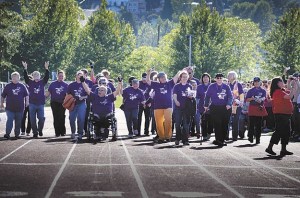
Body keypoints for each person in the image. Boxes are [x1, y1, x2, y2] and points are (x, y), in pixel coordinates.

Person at [82, 75, 122, 143]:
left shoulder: (109, 97)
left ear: (105, 92)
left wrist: (120, 82)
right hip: (96, 115)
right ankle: (98, 133)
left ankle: (103, 132)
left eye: (102, 90)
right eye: (99, 90)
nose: (99, 91)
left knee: (107, 121)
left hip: (107, 116)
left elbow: (117, 91)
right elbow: (87, 90)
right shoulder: (95, 96)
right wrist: (83, 82)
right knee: (96, 122)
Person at [146, 69, 180, 143]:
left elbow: (176, 77)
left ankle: (168, 136)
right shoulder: (156, 84)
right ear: (159, 79)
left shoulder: (170, 83)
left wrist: (180, 71)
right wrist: (148, 73)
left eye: (164, 77)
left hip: (168, 106)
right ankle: (161, 137)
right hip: (158, 106)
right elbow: (148, 81)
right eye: (161, 77)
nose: (163, 78)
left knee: (168, 121)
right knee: (159, 123)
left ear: (166, 77)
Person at [265, 77, 296, 156]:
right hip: (281, 114)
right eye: (281, 82)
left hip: (285, 114)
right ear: (277, 84)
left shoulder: (281, 91)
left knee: (286, 131)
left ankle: (283, 149)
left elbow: (289, 91)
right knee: (279, 131)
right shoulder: (278, 92)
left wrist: (289, 83)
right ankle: (269, 147)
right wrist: (293, 87)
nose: (283, 83)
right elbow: (290, 96)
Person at [22, 61, 49, 138]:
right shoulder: (30, 82)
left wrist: (46, 68)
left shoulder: (42, 82)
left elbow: (46, 76)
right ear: (33, 76)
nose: (36, 76)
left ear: (40, 76)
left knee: (41, 118)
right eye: (35, 75)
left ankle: (40, 130)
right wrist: (25, 68)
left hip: (40, 104)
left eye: (38, 75)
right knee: (32, 120)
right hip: (32, 104)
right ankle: (35, 132)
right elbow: (26, 77)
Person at [204, 73, 232, 147]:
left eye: (221, 78)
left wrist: (229, 104)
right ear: (215, 79)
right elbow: (207, 96)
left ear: (223, 79)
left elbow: (230, 97)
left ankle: (221, 140)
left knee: (225, 125)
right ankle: (219, 140)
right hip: (215, 107)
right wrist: (206, 105)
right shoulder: (211, 86)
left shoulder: (226, 87)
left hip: (225, 108)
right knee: (217, 124)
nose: (219, 79)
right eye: (218, 78)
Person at [1, 72, 29, 139]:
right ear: (11, 78)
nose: (15, 79)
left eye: (16, 77)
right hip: (10, 108)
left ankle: (17, 134)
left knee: (18, 122)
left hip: (20, 108)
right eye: (13, 77)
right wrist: (1, 103)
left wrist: (27, 102)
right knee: (9, 120)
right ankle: (7, 133)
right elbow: (3, 96)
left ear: (19, 78)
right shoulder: (8, 86)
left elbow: (27, 95)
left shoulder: (22, 86)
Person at [173, 71, 194, 145]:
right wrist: (176, 101)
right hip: (178, 107)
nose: (185, 78)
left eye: (186, 77)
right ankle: (177, 138)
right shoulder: (177, 86)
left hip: (186, 108)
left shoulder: (189, 86)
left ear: (188, 77)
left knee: (186, 124)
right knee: (178, 124)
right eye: (183, 77)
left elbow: (191, 96)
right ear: (180, 78)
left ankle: (185, 140)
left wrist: (190, 96)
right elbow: (174, 95)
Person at [45, 70, 68, 137]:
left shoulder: (66, 85)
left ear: (64, 77)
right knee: (56, 117)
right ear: (57, 76)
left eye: (62, 76)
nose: (61, 77)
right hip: (54, 102)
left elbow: (68, 95)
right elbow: (48, 93)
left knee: (62, 116)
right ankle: (57, 132)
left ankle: (62, 132)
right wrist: (43, 97)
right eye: (59, 76)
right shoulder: (52, 84)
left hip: (62, 103)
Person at [67, 71, 88, 140]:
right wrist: (71, 99)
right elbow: (67, 94)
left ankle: (80, 133)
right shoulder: (71, 85)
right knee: (72, 119)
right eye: (78, 75)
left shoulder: (85, 84)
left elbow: (88, 95)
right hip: (73, 104)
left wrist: (83, 97)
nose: (80, 77)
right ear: (76, 76)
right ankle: (73, 132)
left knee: (81, 119)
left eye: (81, 75)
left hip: (81, 103)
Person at [245, 77, 266, 144]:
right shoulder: (250, 90)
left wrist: (261, 99)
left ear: (260, 82)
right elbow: (247, 99)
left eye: (257, 82)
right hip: (252, 108)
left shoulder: (263, 90)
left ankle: (258, 139)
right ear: (253, 83)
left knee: (259, 125)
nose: (256, 83)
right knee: (251, 124)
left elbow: (264, 97)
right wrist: (251, 98)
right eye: (255, 82)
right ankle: (250, 137)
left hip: (259, 108)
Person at [227, 71, 244, 141]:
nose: (228, 76)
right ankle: (226, 136)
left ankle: (234, 136)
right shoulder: (227, 85)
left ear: (234, 76)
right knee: (227, 121)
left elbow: (242, 94)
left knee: (235, 121)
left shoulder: (238, 84)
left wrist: (241, 102)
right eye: (228, 75)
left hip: (237, 105)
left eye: (230, 75)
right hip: (228, 105)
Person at [196, 73, 213, 141]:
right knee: (204, 121)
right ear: (202, 79)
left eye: (207, 77)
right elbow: (197, 97)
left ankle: (209, 132)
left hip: (211, 106)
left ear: (209, 79)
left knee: (211, 121)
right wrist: (196, 105)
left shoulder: (212, 86)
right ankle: (204, 135)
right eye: (204, 77)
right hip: (202, 106)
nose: (205, 79)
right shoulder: (199, 87)